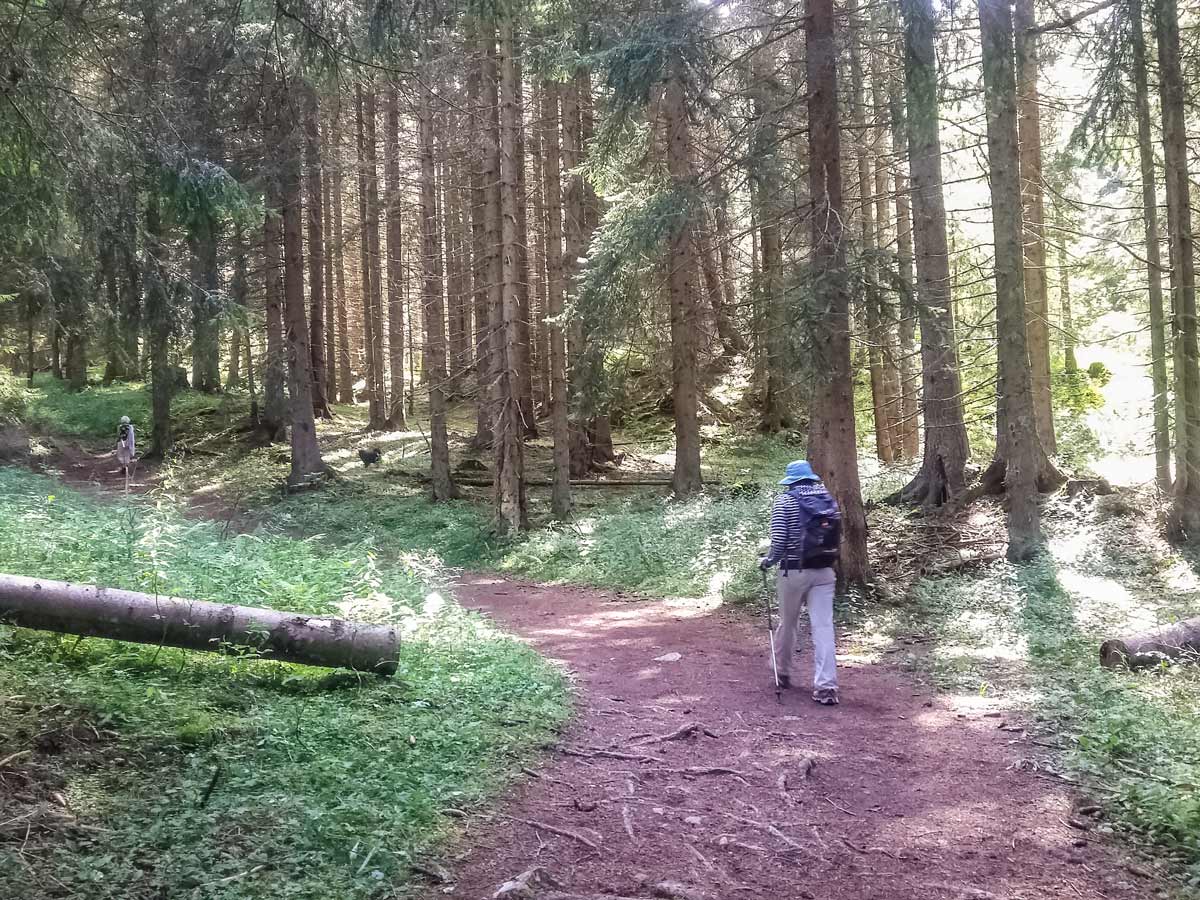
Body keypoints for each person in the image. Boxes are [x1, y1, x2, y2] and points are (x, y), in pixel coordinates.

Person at [759, 460, 842, 706]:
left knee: (788, 622)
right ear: (810, 478)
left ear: (790, 481)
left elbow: (779, 540)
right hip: (825, 571)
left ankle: (782, 672)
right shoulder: (827, 498)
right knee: (824, 627)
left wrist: (768, 561)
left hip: (793, 572)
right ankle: (826, 686)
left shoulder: (785, 501)